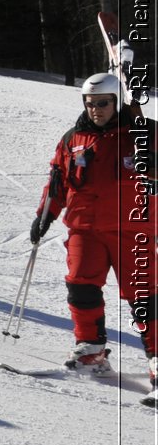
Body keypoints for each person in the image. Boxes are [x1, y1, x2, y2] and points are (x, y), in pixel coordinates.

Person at [29, 72, 157, 383]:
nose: (95, 109)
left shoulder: (144, 133)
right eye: (89, 104)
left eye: (102, 103)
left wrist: (150, 161)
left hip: (133, 229)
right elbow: (58, 180)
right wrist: (44, 214)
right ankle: (91, 351)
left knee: (144, 296)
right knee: (80, 287)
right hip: (84, 229)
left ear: (116, 101)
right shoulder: (73, 139)